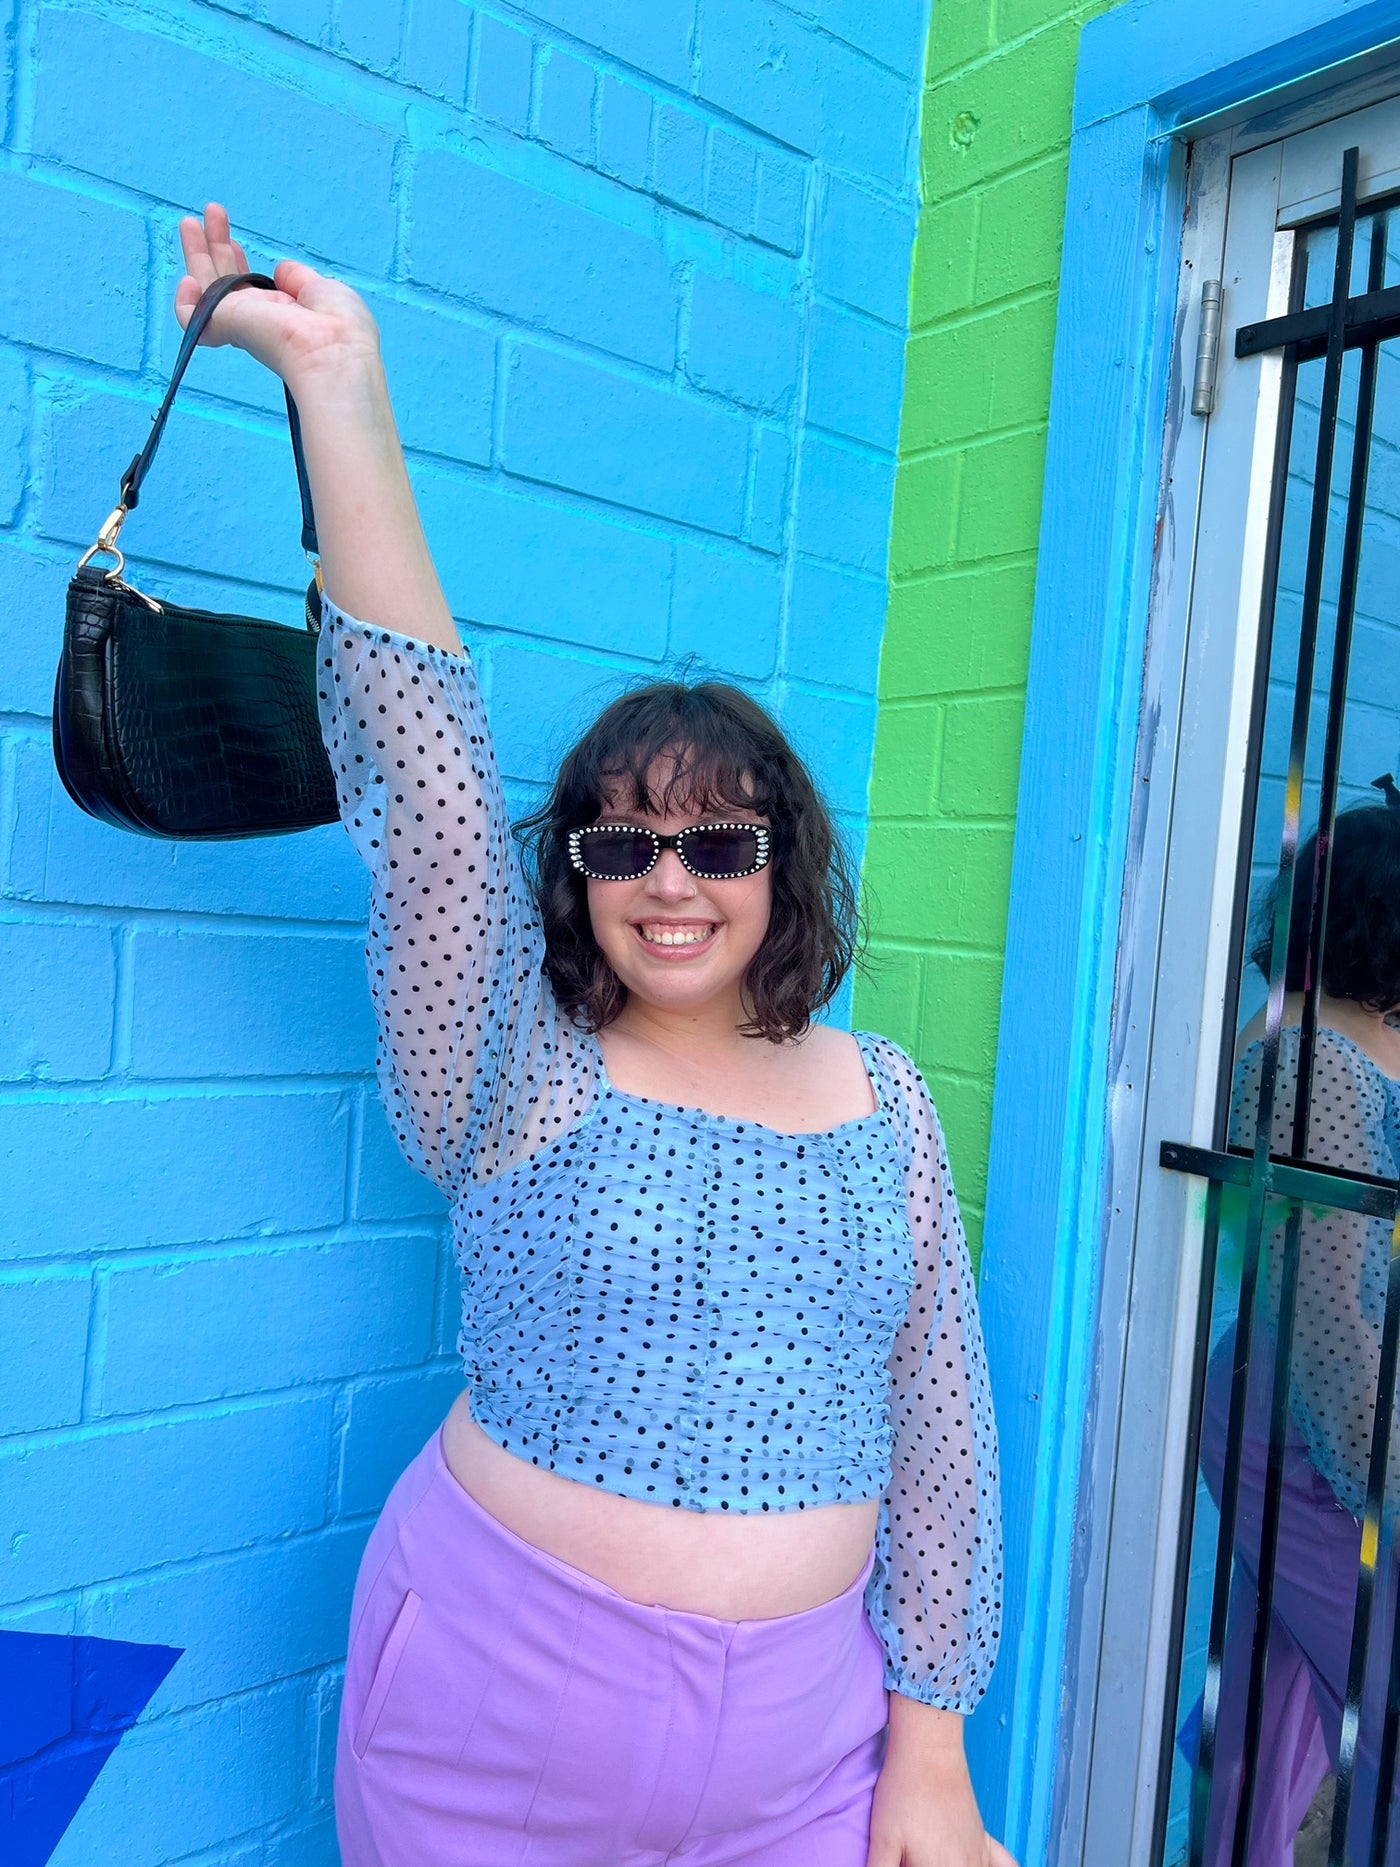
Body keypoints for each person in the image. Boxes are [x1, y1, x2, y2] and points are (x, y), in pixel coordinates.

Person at [173, 204, 1010, 1867]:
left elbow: (940, 1426)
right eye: (621, 841)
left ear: (784, 864)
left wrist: (933, 1749)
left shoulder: (885, 1096)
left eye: (719, 841)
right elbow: (428, 800)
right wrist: (338, 385)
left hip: (807, 1756)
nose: (670, 880)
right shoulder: (511, 1062)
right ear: (573, 871)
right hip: (487, 1721)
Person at [1197, 800, 1400, 1864]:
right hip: (1314, 1433)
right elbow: (1326, 1322)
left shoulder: (1340, 1043)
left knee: (1268, 1716)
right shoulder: (1308, 1064)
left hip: (1318, 1421)